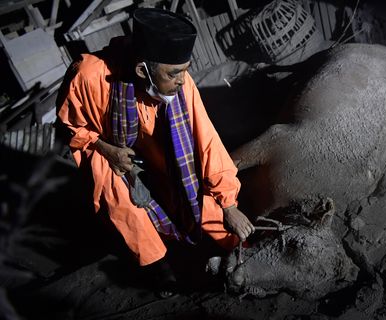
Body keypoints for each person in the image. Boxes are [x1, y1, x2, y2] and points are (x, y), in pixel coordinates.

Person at [56, 8, 255, 296]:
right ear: (142, 70)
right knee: (117, 195)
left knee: (189, 184)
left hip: (154, 147)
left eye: (185, 70)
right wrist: (106, 148)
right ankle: (159, 267)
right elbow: (70, 127)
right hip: (114, 151)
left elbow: (207, 141)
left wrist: (229, 204)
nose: (182, 80)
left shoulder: (181, 85)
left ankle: (235, 245)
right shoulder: (89, 76)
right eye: (174, 74)